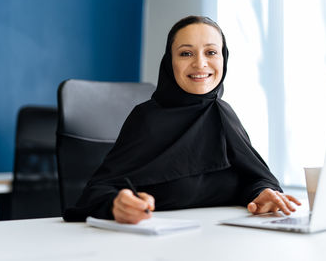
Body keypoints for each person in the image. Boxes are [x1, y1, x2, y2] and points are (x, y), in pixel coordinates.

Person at [63, 16, 301, 224]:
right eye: (186, 53)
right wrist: (117, 205)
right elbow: (96, 193)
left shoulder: (223, 113)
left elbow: (252, 178)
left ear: (223, 58)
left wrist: (262, 193)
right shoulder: (146, 118)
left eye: (211, 52)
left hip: (221, 242)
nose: (200, 63)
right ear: (170, 62)